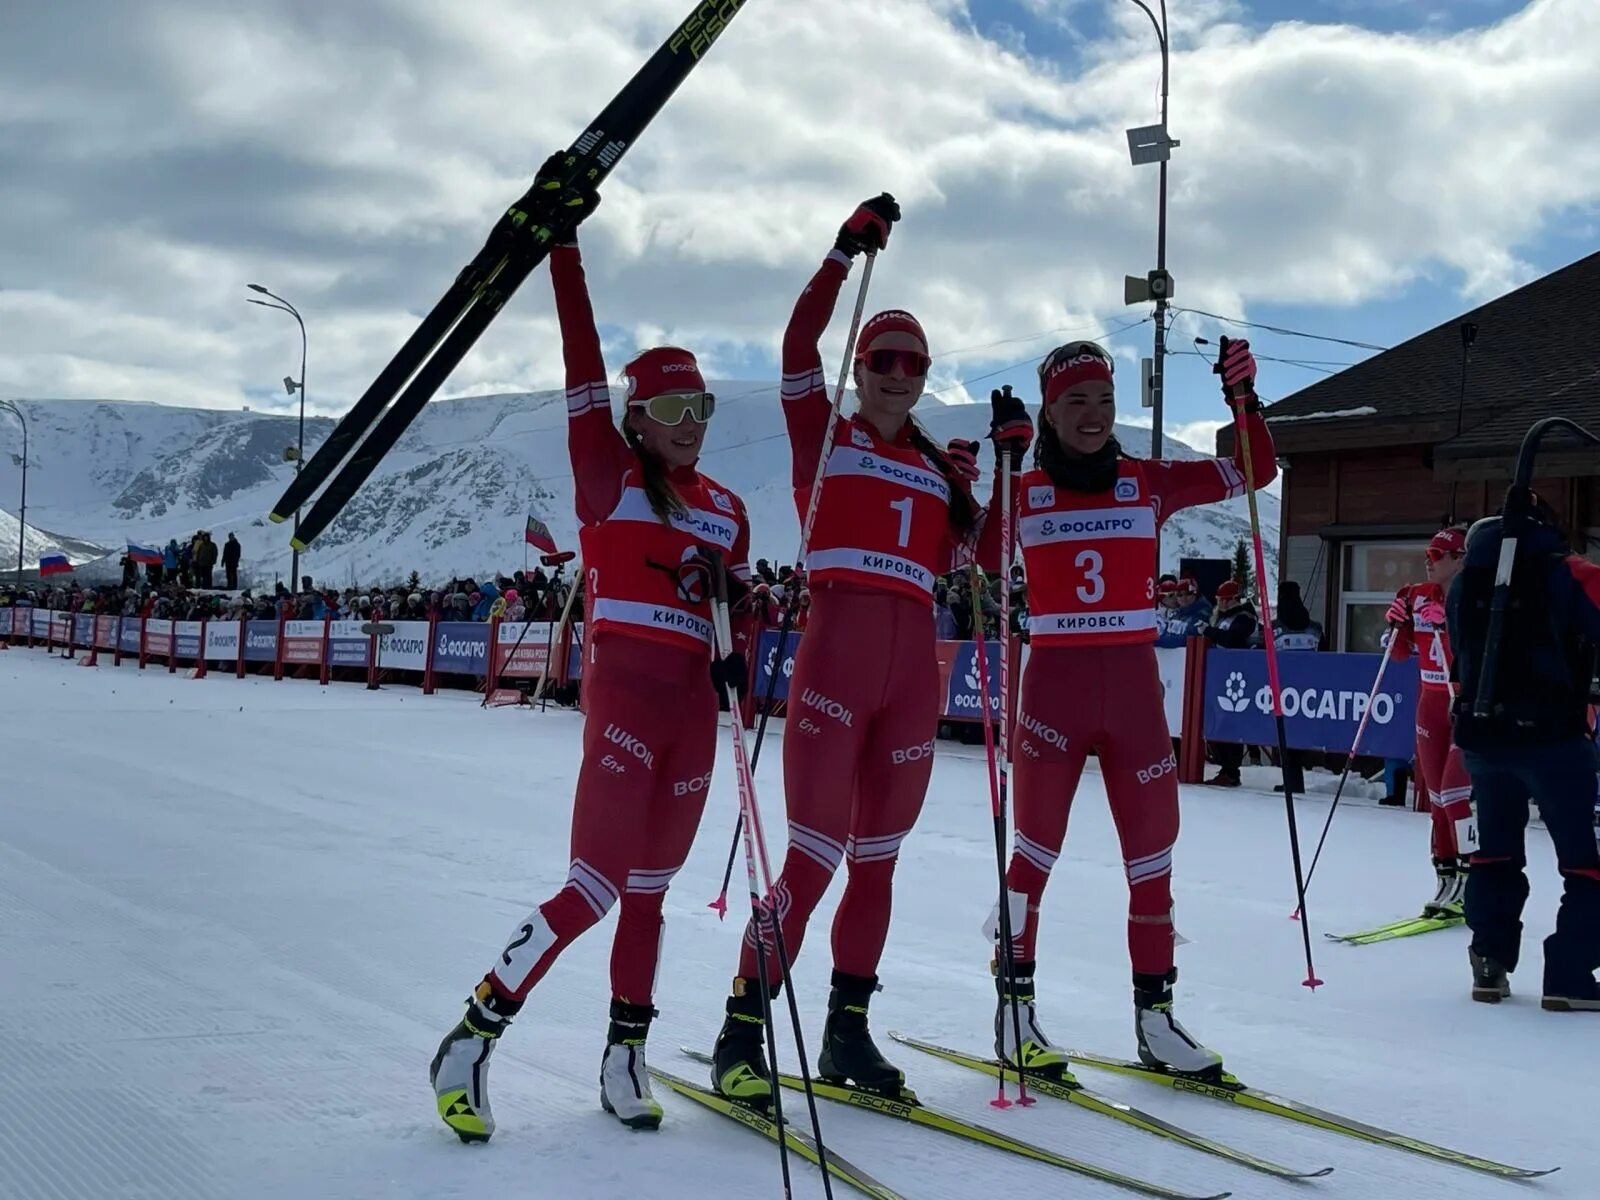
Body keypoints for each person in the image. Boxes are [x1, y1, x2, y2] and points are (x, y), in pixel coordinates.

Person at [430, 158, 754, 1139]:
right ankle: (474, 1031)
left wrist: (740, 630)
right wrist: (564, 245)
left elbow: (733, 611)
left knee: (649, 894)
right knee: (595, 883)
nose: (690, 426)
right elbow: (580, 358)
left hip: (692, 713)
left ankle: (624, 1058)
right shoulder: (605, 477)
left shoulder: (731, 514)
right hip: (624, 700)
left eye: (700, 410)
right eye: (671, 410)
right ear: (635, 418)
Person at [708, 194, 1027, 1108]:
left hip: (910, 682)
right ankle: (741, 1031)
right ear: (863, 368)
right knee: (810, 860)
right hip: (835, 671)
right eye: (884, 361)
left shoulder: (935, 469)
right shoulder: (827, 434)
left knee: (878, 863)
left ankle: (847, 1031)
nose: (897, 375)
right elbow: (795, 347)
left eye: (913, 365)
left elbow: (982, 556)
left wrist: (1007, 468)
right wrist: (843, 255)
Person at [986, 336, 1276, 1080]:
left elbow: (1255, 471)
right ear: (1050, 410)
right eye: (1075, 401)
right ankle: (1014, 1011)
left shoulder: (1147, 481)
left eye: (1104, 401)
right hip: (1053, 692)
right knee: (1034, 858)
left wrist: (1244, 401)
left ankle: (1156, 1020)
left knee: (1153, 864)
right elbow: (982, 553)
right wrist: (1003, 467)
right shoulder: (1028, 487)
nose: (1093, 415)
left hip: (1134, 697)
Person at [1449, 497, 1600, 1011]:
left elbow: (1458, 652)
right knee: (1585, 862)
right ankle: (1570, 974)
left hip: (1484, 737)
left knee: (1493, 853)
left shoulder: (1468, 580)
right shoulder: (1570, 572)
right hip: (1554, 738)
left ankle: (1488, 962)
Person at [1384, 527, 1477, 917]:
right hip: (1430, 702)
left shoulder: (1475, 595)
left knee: (1455, 792)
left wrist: (1448, 624)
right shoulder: (1415, 595)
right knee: (1435, 797)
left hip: (1465, 703)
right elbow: (1401, 654)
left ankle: (1473, 877)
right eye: (1428, 552)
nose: (1429, 559)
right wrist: (1396, 626)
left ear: (1459, 560)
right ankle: (1445, 878)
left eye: (1438, 554)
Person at [1203, 580, 1259, 788]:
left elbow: (1232, 639)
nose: (1222, 604)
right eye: (1220, 600)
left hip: (1239, 676)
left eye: (1225, 600)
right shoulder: (1224, 617)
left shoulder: (1244, 617)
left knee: (1231, 723)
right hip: (1223, 675)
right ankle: (1226, 768)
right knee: (1219, 722)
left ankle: (1231, 770)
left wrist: (1209, 631)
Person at [1269, 580, 1323, 794]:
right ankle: (1294, 779)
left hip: (1282, 688)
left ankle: (1291, 781)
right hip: (1310, 688)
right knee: (1298, 736)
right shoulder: (1315, 628)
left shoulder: (1274, 629)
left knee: (1284, 734)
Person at [1156, 577, 1210, 647]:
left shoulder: (1203, 613)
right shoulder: (1176, 613)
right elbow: (1166, 633)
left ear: (1196, 593)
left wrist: (1156, 641)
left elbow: (1188, 640)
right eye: (1179, 595)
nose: (1184, 598)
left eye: (1188, 593)